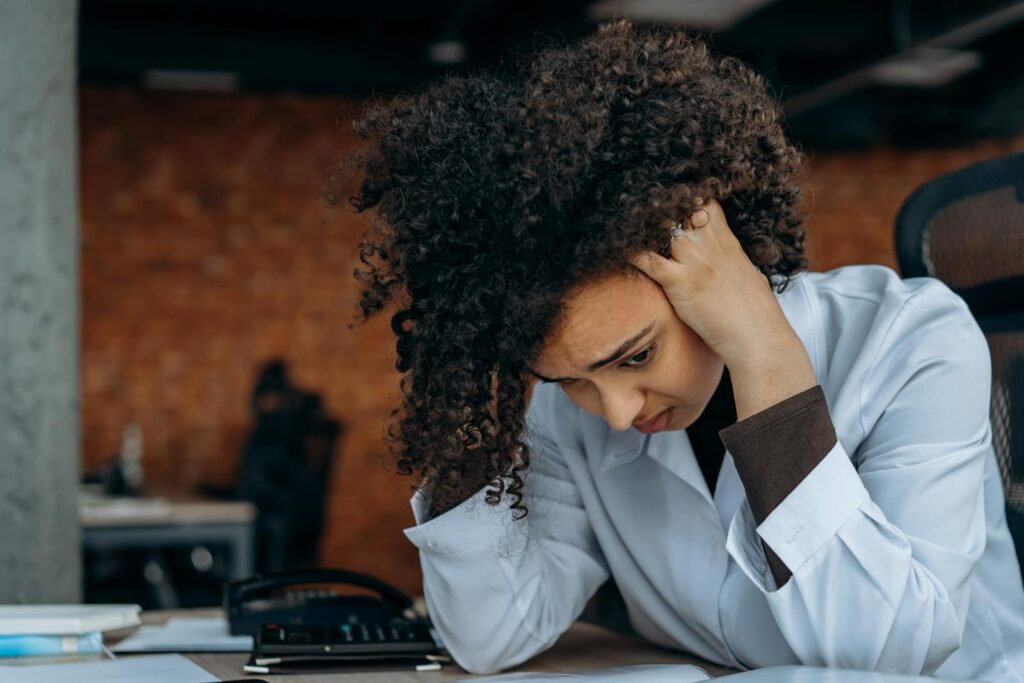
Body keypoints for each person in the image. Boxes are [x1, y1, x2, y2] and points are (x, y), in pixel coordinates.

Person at [337, 20, 1024, 681]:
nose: (611, 411)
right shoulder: (571, 405)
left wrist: (762, 349)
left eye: (635, 356)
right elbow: (490, 634)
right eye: (569, 378)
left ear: (715, 256)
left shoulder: (911, 340)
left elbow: (885, 660)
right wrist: (468, 403)